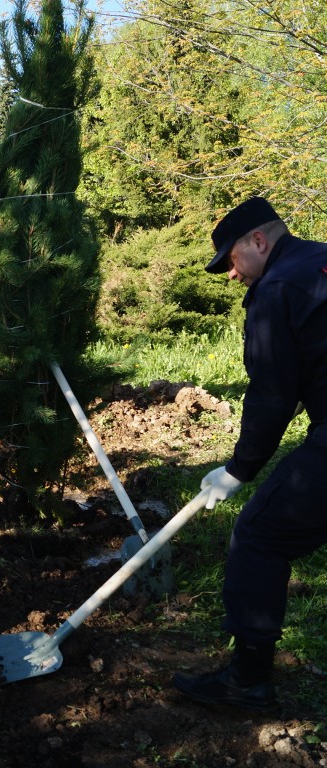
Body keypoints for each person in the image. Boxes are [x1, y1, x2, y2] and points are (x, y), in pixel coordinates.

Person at [172, 196, 327, 712]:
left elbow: (272, 395)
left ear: (259, 241)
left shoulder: (277, 288)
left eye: (232, 262)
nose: (233, 276)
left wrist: (239, 470)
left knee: (259, 536)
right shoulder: (320, 262)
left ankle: (248, 681)